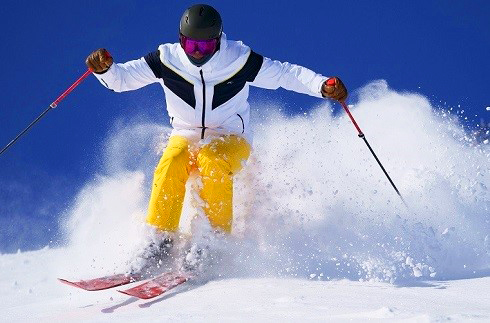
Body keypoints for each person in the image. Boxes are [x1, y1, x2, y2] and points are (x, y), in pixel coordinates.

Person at [86, 4, 347, 272]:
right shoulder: (166, 59)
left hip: (231, 138)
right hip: (185, 134)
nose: (198, 53)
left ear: (219, 40)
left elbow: (284, 74)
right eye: (191, 45)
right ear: (180, 40)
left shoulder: (239, 59)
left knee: (211, 158)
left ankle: (213, 242)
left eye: (206, 46)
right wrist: (105, 71)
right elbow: (123, 80)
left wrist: (321, 86)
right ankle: (159, 242)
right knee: (172, 161)